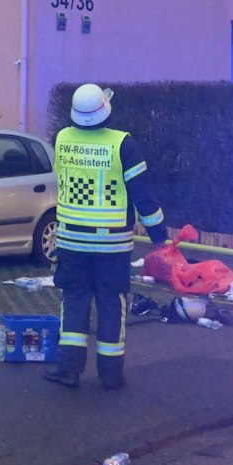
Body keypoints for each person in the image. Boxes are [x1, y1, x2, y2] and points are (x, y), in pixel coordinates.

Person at [45, 84, 166, 391]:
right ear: (105, 110)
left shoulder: (62, 138)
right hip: (112, 244)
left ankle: (68, 370)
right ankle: (111, 375)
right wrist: (158, 234)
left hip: (72, 240)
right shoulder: (122, 144)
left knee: (73, 301)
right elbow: (142, 192)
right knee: (111, 303)